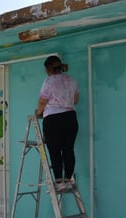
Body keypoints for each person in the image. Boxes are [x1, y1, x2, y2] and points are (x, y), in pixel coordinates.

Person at [35, 55, 79, 192]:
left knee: (55, 151)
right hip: (70, 118)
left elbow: (43, 101)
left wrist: (38, 112)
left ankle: (59, 182)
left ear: (48, 69)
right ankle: (68, 180)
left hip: (53, 119)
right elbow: (76, 100)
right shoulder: (71, 80)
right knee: (68, 149)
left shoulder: (49, 81)